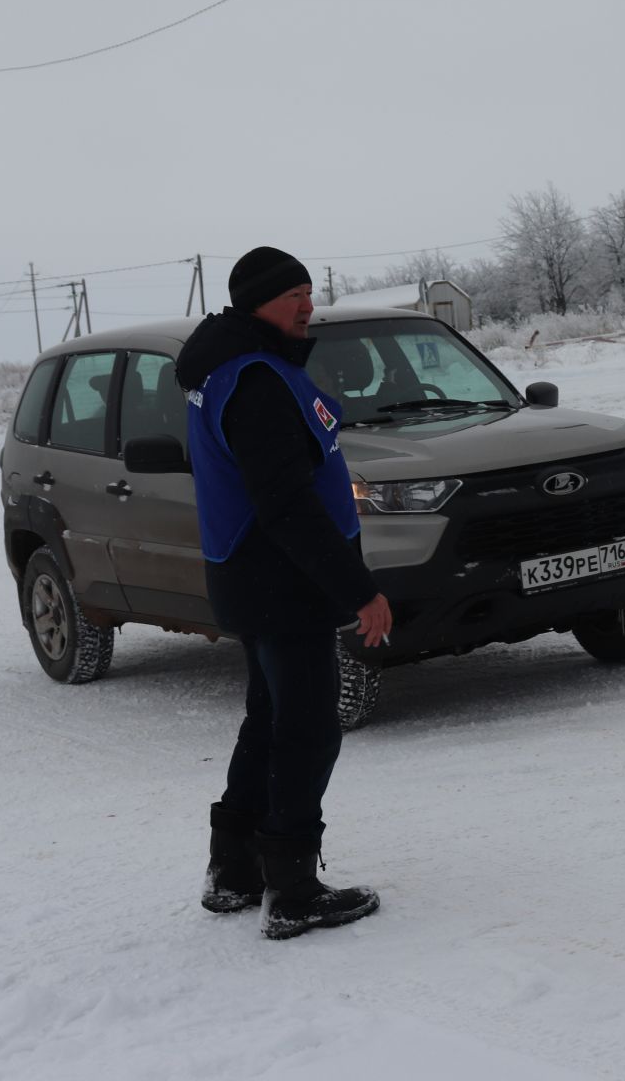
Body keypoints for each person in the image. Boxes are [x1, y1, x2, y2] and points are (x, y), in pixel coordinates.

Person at [175, 246, 394, 940]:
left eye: (309, 290)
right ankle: (293, 887)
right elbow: (286, 503)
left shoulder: (234, 370)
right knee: (308, 726)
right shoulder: (257, 380)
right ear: (256, 305)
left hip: (254, 575)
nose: (306, 304)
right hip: (280, 578)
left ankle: (233, 869)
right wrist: (358, 589)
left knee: (271, 719)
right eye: (291, 294)